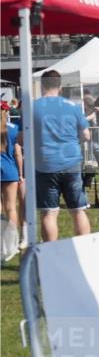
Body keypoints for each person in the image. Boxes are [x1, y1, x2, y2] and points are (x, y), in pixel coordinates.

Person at [33, 71, 91, 242]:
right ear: (60, 86)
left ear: (42, 85)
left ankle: (51, 252)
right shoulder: (73, 106)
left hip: (45, 163)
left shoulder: (33, 106)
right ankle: (85, 249)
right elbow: (86, 135)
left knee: (49, 212)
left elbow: (22, 138)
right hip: (71, 162)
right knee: (78, 210)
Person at [1, 107, 24, 260]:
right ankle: (12, 243)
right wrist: (21, 173)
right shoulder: (14, 128)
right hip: (10, 171)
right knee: (11, 208)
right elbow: (17, 153)